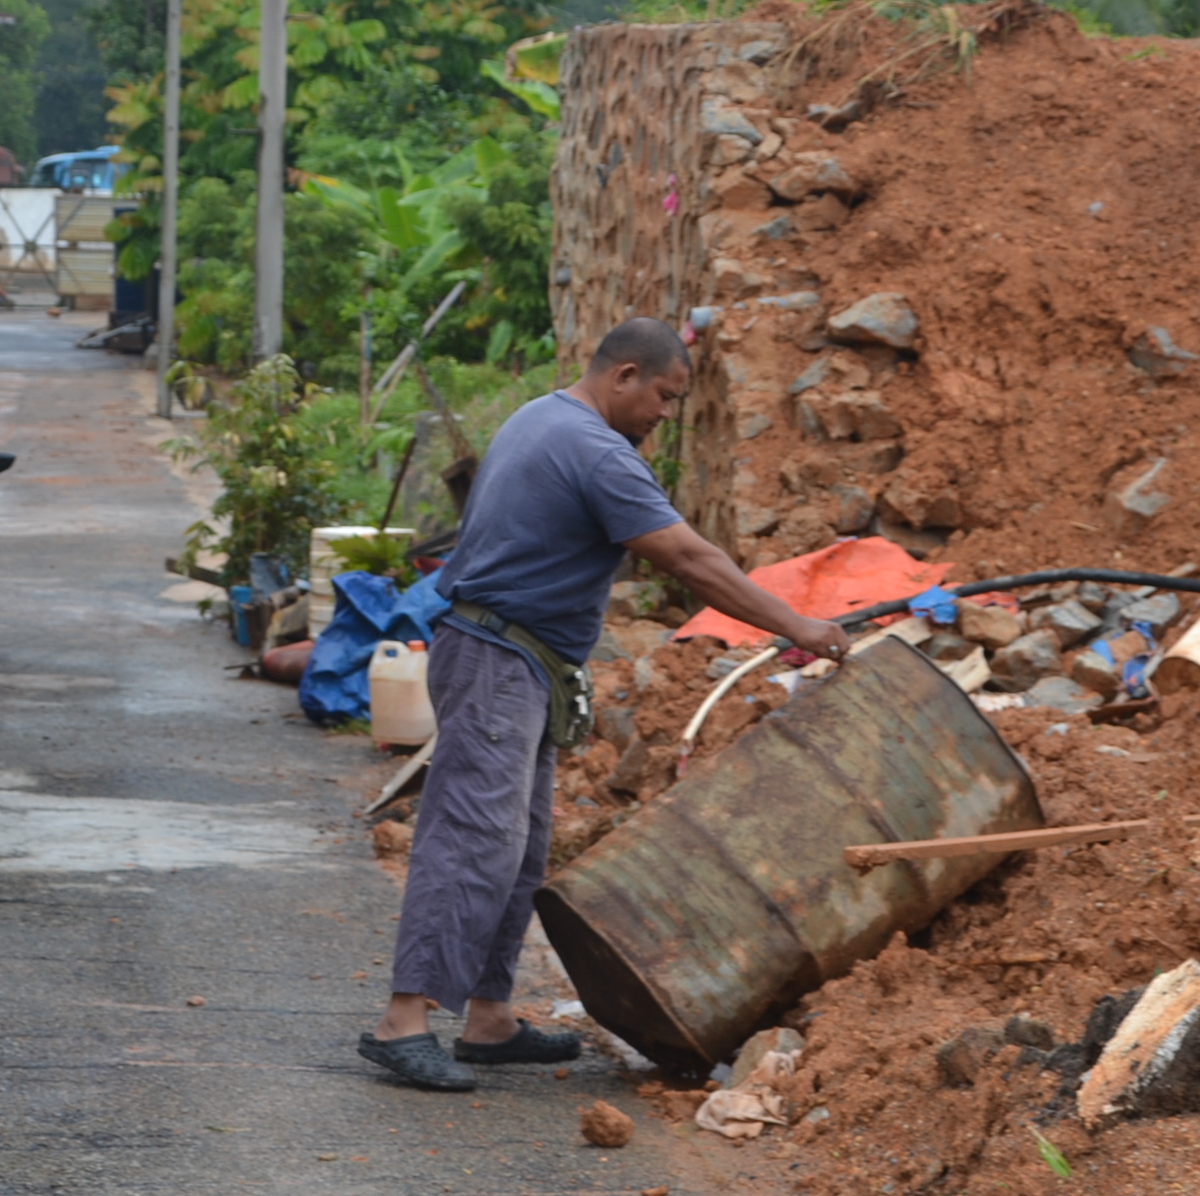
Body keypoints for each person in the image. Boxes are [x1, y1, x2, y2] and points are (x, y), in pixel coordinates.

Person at [357, 317, 851, 1091]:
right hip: (498, 660)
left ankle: (488, 1019)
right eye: (662, 395)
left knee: (518, 846)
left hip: (521, 660)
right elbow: (689, 557)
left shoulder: (544, 416)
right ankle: (404, 1020)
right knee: (472, 837)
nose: (665, 414)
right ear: (623, 375)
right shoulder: (594, 449)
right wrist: (798, 625)